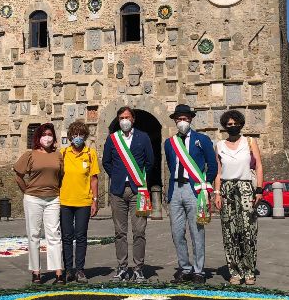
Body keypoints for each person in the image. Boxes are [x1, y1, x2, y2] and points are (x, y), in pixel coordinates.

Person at [164, 104, 217, 284]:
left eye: (185, 119)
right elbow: (171, 165)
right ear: (175, 121)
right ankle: (185, 267)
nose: (182, 122)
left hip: (194, 189)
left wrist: (205, 184)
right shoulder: (169, 143)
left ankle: (199, 270)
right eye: (179, 119)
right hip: (175, 189)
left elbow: (212, 165)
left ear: (191, 119)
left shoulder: (202, 139)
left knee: (197, 231)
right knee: (177, 232)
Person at [102, 106, 154, 283]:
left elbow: (150, 161)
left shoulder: (143, 137)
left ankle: (138, 268)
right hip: (117, 191)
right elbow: (106, 162)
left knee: (139, 231)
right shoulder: (112, 139)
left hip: (138, 190)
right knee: (120, 232)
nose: (124, 120)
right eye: (121, 118)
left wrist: (139, 177)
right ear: (118, 120)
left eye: (127, 117)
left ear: (133, 119)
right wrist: (117, 175)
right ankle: (122, 267)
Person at [214, 110, 263, 285]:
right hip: (226, 188)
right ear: (225, 126)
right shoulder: (219, 145)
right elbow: (218, 172)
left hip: (246, 187)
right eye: (229, 124)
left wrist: (259, 190)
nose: (233, 126)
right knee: (229, 231)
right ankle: (235, 271)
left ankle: (249, 270)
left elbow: (258, 166)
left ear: (241, 124)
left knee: (248, 230)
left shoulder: (249, 142)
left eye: (235, 124)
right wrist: (217, 193)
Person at [13, 123, 64, 284]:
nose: (47, 137)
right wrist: (26, 191)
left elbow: (61, 176)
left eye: (50, 134)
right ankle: (36, 272)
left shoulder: (58, 155)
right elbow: (18, 175)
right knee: (34, 234)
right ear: (38, 137)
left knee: (54, 234)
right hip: (33, 199)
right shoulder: (30, 155)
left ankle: (58, 272)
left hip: (53, 198)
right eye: (44, 134)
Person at [60, 120, 100, 283]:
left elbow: (94, 179)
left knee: (81, 236)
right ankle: (68, 269)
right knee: (66, 236)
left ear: (85, 136)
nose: (78, 137)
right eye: (75, 134)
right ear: (70, 136)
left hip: (83, 201)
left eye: (81, 134)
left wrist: (95, 200)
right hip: (65, 201)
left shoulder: (90, 154)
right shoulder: (63, 153)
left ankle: (80, 270)